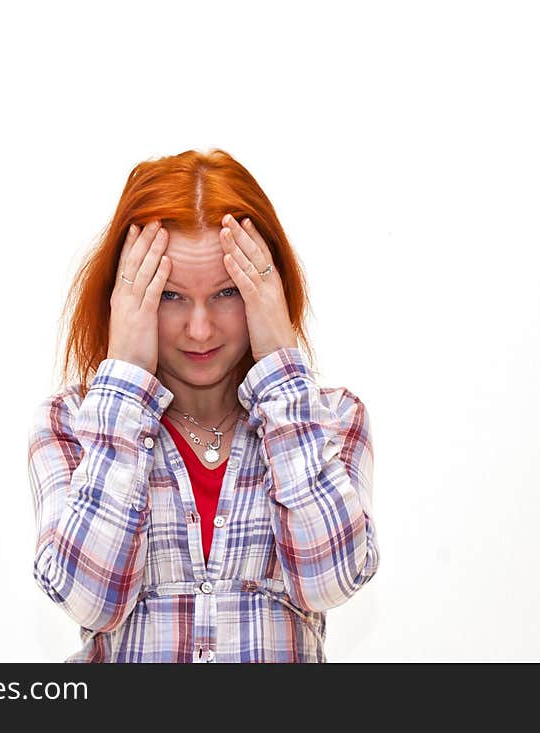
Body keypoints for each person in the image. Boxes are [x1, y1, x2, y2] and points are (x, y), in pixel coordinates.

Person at [26, 148, 379, 663]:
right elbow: (89, 598)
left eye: (228, 292)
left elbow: (331, 581)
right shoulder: (71, 425)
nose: (199, 329)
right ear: (125, 295)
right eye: (169, 296)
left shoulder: (330, 419)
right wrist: (123, 379)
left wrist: (281, 360)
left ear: (269, 288)